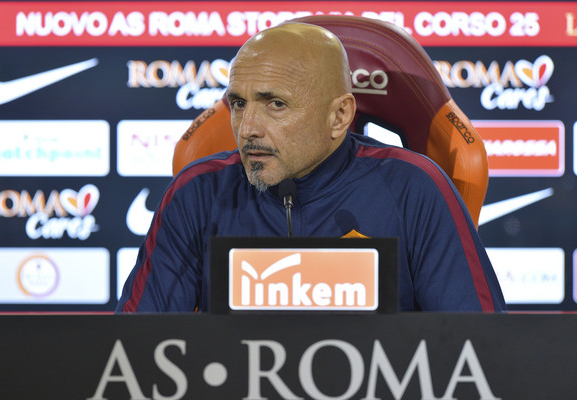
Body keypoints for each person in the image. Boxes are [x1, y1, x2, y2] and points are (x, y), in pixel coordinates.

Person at [117, 23, 506, 312]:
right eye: (238, 104)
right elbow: (135, 353)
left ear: (339, 116)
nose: (247, 128)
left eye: (276, 104)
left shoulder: (415, 190)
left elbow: (477, 352)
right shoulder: (196, 194)